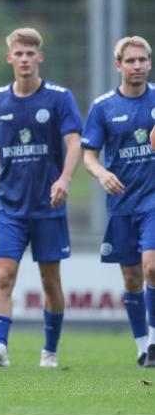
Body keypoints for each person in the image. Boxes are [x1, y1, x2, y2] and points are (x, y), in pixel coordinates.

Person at [0, 28, 82, 369]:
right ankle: (0, 347)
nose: (24, 59)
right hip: (10, 208)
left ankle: (49, 351)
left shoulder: (59, 98)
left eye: (30, 54)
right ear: (9, 58)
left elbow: (74, 141)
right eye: (18, 53)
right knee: (4, 276)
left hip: (47, 208)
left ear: (40, 57)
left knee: (50, 281)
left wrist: (64, 179)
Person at [82, 36, 155, 367]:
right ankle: (142, 347)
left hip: (152, 201)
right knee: (131, 278)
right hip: (123, 203)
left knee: (151, 266)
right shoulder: (103, 107)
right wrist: (101, 174)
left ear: (149, 63)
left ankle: (153, 342)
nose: (137, 66)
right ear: (118, 66)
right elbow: (89, 156)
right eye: (131, 61)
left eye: (142, 60)